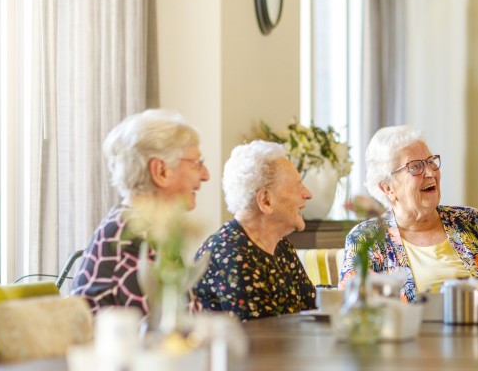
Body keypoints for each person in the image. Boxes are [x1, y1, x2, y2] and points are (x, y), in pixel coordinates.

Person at [340, 125, 478, 304]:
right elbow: (353, 306)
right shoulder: (366, 238)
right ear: (388, 187)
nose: (431, 173)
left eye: (431, 162)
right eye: (415, 167)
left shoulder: (472, 221)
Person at [72, 109, 210, 315]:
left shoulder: (150, 230)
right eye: (196, 163)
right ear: (161, 171)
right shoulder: (129, 236)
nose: (205, 175)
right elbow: (158, 333)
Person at [193, 141, 317, 320]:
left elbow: (311, 310)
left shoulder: (281, 247)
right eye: (297, 186)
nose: (308, 194)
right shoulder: (232, 254)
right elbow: (260, 338)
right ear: (266, 201)